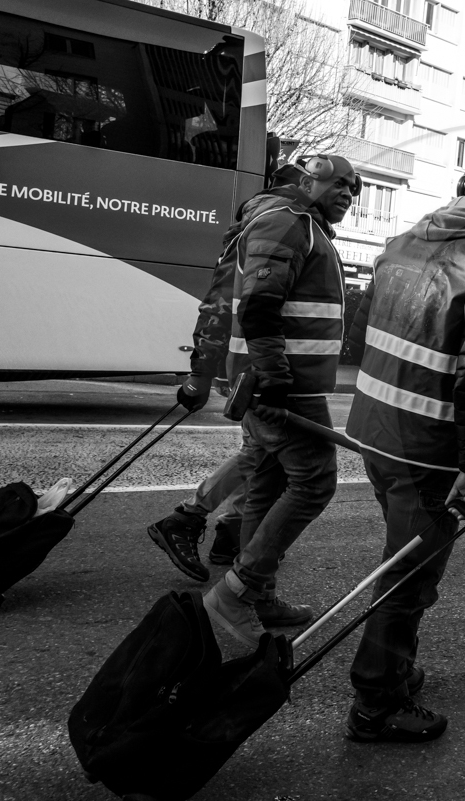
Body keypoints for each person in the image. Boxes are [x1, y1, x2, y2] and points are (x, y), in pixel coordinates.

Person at [341, 161, 465, 742]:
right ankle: (377, 701)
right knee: (409, 576)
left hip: (374, 429)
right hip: (428, 446)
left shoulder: (404, 241)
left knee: (400, 558)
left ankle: (395, 668)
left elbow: (362, 334)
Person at [200, 154, 361, 646]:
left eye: (354, 188)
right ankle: (238, 592)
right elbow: (259, 304)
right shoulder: (288, 222)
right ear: (308, 180)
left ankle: (259, 596)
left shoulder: (303, 226)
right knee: (314, 482)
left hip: (281, 382)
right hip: (284, 386)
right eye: (339, 183)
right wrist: (273, 377)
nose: (348, 193)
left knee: (268, 485)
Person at [146, 161, 313, 582]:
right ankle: (189, 518)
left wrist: (204, 373)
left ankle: (228, 531)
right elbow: (228, 303)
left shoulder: (259, 222)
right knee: (261, 454)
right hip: (256, 369)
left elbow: (219, 303)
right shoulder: (279, 223)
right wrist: (201, 375)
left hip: (250, 365)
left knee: (262, 455)